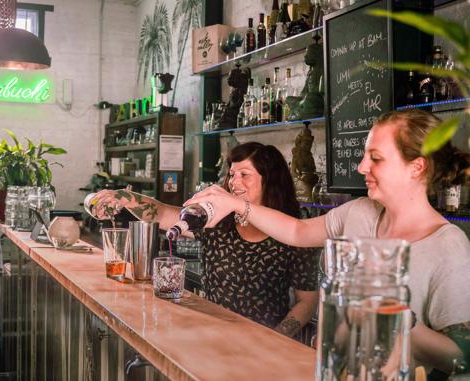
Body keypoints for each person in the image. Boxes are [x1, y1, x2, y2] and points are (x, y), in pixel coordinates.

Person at [187, 109, 470, 374]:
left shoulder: (448, 246)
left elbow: (459, 359)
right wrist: (235, 205)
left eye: (376, 158)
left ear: (417, 167)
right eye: (364, 156)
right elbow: (297, 232)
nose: (361, 167)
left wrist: (396, 314)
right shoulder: (359, 212)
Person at [91, 142, 319, 337]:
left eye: (244, 175)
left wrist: (277, 337)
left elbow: (307, 301)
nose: (234, 182)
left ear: (269, 180)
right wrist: (126, 197)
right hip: (212, 334)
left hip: (263, 340)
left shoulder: (290, 230)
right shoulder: (219, 221)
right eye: (232, 174)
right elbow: (162, 214)